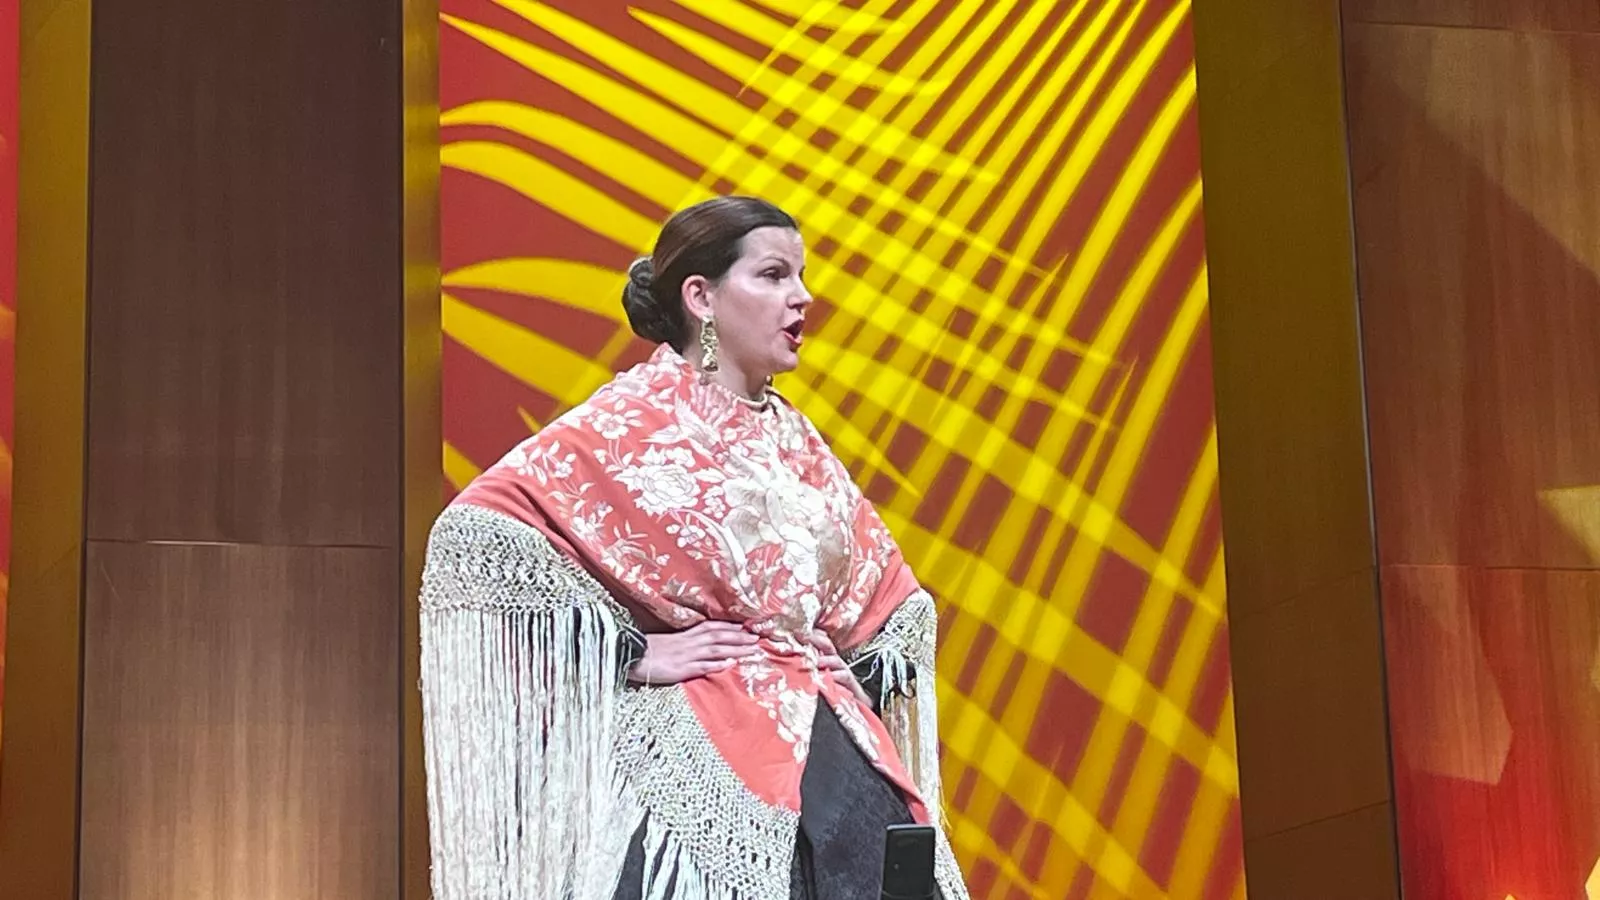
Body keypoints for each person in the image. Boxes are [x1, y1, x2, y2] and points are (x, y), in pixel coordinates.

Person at [419, 196, 970, 900]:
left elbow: (891, 596)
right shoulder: (630, 422)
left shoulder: (795, 439)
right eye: (772, 275)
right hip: (693, 761)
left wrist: (851, 661)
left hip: (836, 757)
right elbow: (478, 538)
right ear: (701, 297)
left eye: (800, 276)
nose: (801, 298)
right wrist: (633, 652)